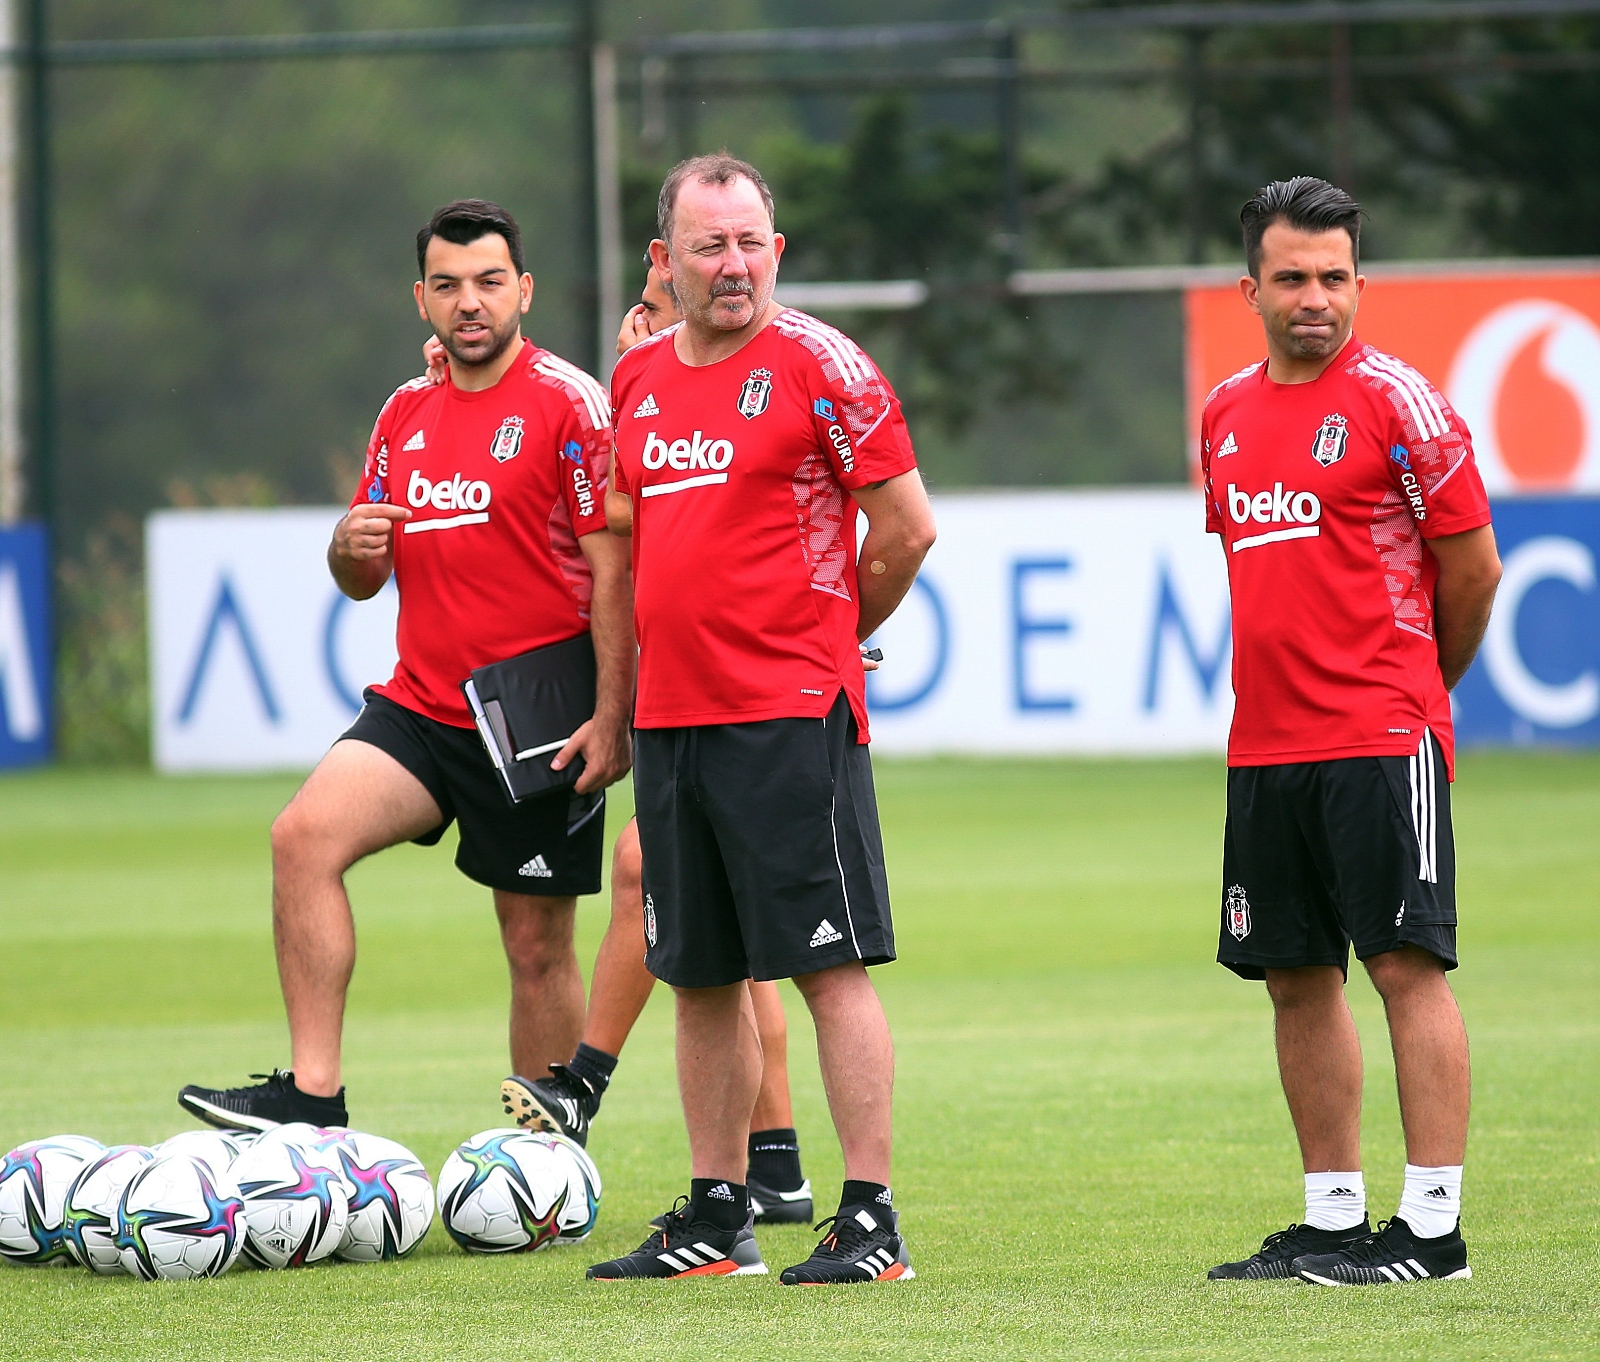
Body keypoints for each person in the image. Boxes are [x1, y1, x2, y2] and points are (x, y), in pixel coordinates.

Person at [177, 199, 633, 1132]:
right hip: (424, 705)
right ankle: (313, 1099)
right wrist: (347, 548)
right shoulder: (404, 411)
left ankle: (544, 1155)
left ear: (524, 290)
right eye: (448, 285)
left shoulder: (569, 403)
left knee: (534, 944)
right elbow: (361, 575)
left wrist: (613, 715)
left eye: (490, 282)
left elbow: (616, 571)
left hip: (538, 714)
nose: (470, 302)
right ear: (420, 298)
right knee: (302, 838)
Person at [586, 153, 936, 1284]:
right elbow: (630, 541)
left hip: (788, 716)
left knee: (829, 968)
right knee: (698, 976)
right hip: (671, 721)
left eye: (750, 244)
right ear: (665, 260)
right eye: (710, 247)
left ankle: (871, 1220)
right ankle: (716, 1214)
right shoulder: (638, 379)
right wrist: (619, 706)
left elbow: (906, 529)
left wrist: (831, 629)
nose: (733, 266)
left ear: (776, 251)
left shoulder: (822, 363)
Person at [416, 260, 815, 1224]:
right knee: (727, 935)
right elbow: (629, 516)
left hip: (752, 693)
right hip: (679, 685)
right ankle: (776, 1165)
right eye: (645, 293)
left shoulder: (756, 375)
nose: (641, 316)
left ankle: (584, 1079)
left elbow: (701, 512)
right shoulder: (644, 387)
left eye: (656, 300)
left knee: (652, 870)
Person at [1200, 178, 1501, 1286]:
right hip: (1265, 747)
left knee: (1402, 966)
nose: (1315, 297)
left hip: (1379, 737)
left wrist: (1419, 690)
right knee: (1293, 977)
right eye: (1292, 278)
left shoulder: (1399, 402)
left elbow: (1473, 568)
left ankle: (1431, 1230)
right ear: (1251, 290)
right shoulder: (1224, 413)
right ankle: (1332, 1220)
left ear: (1359, 283)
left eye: (1334, 277)